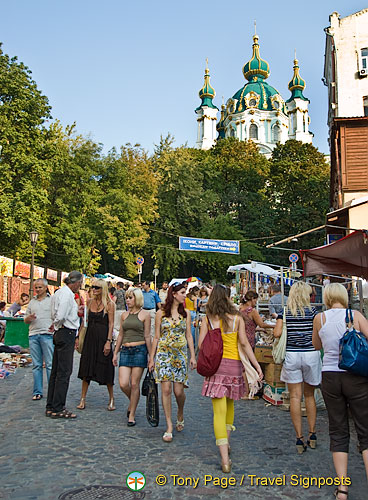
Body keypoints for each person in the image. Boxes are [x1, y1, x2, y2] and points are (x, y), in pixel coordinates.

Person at [199, 284, 263, 473]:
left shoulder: (208, 319)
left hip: (216, 367)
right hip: (234, 367)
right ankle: (226, 444)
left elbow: (202, 344)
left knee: (218, 412)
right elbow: (244, 344)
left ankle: (225, 460)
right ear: (228, 297)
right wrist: (256, 366)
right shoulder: (237, 319)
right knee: (230, 406)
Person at [312, 283, 368, 500]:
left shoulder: (320, 318)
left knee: (338, 430)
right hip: (355, 376)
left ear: (326, 297)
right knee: (365, 430)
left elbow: (317, 346)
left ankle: (342, 489)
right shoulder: (355, 314)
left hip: (330, 377)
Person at [273, 281, 321, 454]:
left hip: (292, 355)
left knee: (295, 397)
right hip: (311, 354)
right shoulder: (314, 312)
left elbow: (277, 333)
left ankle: (299, 438)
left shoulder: (284, 312)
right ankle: (312, 434)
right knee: (310, 395)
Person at [148, 282, 196, 443]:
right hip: (164, 354)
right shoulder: (160, 313)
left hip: (179, 355)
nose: (185, 295)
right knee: (166, 389)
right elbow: (156, 336)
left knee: (178, 391)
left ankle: (180, 411)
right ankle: (168, 425)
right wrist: (152, 357)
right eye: (183, 292)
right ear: (174, 294)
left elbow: (189, 335)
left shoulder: (186, 313)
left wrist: (192, 355)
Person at [46, 271, 84, 419]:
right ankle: (58, 406)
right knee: (64, 372)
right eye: (79, 283)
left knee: (56, 371)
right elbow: (60, 315)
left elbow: (54, 312)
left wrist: (56, 324)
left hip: (59, 332)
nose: (80, 286)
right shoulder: (67, 295)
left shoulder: (58, 293)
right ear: (75, 282)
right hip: (66, 332)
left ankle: (51, 404)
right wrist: (58, 324)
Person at [113, 287, 151, 426]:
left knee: (135, 384)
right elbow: (121, 335)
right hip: (125, 350)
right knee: (123, 383)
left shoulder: (145, 314)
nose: (127, 300)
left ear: (137, 299)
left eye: (130, 298)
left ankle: (132, 414)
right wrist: (115, 352)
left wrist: (151, 356)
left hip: (139, 350)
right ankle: (133, 401)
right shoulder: (124, 315)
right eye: (127, 298)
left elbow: (147, 335)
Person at [76, 280, 115, 411]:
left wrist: (108, 341)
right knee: (86, 366)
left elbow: (111, 324)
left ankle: (111, 398)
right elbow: (85, 321)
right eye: (93, 287)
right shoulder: (89, 302)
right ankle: (82, 398)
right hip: (90, 338)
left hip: (103, 337)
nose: (94, 289)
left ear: (103, 289)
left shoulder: (110, 304)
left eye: (97, 287)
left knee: (106, 368)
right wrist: (78, 336)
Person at [24, 279, 53, 400]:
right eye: (36, 287)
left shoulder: (51, 301)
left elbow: (57, 315)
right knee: (36, 365)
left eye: (40, 287)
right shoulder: (32, 302)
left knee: (50, 364)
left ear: (46, 288)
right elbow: (25, 320)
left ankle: (52, 391)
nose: (37, 290)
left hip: (47, 335)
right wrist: (29, 318)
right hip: (33, 335)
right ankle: (37, 391)